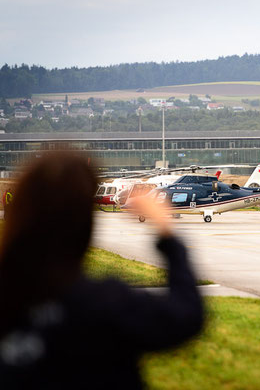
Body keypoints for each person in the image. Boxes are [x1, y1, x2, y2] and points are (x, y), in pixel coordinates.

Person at [0, 152, 205, 389]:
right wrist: (166, 232)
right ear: (85, 222)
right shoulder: (106, 302)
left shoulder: (10, 296)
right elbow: (186, 316)